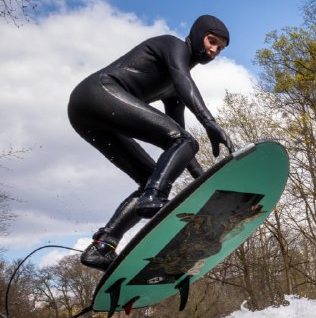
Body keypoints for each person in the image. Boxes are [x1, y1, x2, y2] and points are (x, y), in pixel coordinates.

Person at [70, 15, 235, 271]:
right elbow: (182, 78)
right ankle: (153, 197)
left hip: (87, 117)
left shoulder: (175, 87)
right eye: (211, 41)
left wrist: (202, 179)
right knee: (179, 149)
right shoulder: (173, 46)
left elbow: (177, 138)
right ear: (196, 34)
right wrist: (209, 122)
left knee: (156, 171)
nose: (214, 50)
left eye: (220, 48)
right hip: (97, 93)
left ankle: (103, 246)